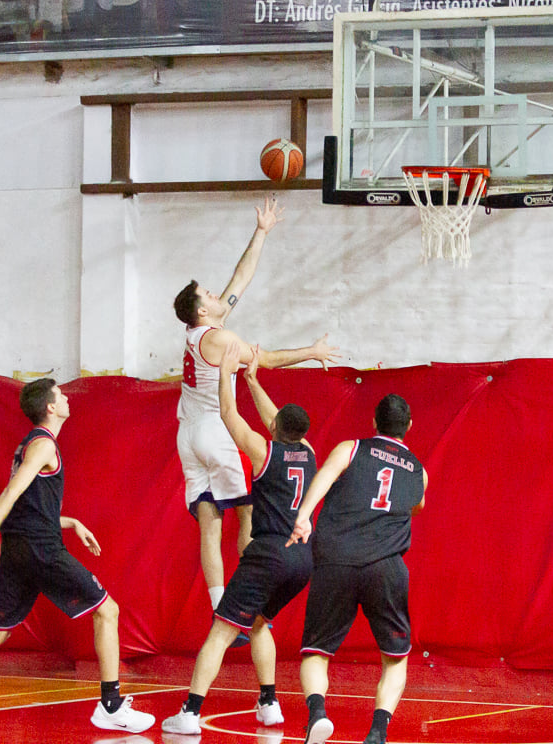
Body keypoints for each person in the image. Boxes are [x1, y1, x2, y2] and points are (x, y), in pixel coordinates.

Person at [0, 378, 154, 734]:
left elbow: (27, 507)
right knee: (108, 610)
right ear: (51, 407)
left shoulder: (30, 445)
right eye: (62, 395)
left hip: (21, 547)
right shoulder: (43, 445)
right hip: (40, 548)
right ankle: (111, 706)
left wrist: (71, 522)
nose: (68, 397)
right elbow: (11, 493)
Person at [173, 195, 338, 637]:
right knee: (249, 512)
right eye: (206, 293)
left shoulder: (195, 331)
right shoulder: (221, 340)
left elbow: (237, 280)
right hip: (213, 427)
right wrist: (312, 352)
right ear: (202, 309)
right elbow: (267, 361)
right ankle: (244, 607)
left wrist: (261, 232)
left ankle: (216, 606)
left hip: (186, 433)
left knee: (210, 522)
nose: (213, 292)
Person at [162, 340, 318, 734]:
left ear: (276, 429)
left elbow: (230, 416)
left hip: (267, 554)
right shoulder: (310, 453)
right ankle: (269, 704)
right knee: (261, 624)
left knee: (221, 632)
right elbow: (276, 421)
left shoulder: (265, 454)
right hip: (302, 559)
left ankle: (190, 713)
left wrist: (225, 376)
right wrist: (252, 379)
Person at [287, 393, 427, 744]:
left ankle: (317, 713)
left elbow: (323, 478)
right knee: (395, 659)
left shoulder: (351, 448)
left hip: (336, 559)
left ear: (374, 422)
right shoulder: (419, 471)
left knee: (316, 652)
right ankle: (377, 732)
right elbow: (416, 505)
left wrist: (303, 518)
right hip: (385, 565)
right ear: (408, 426)